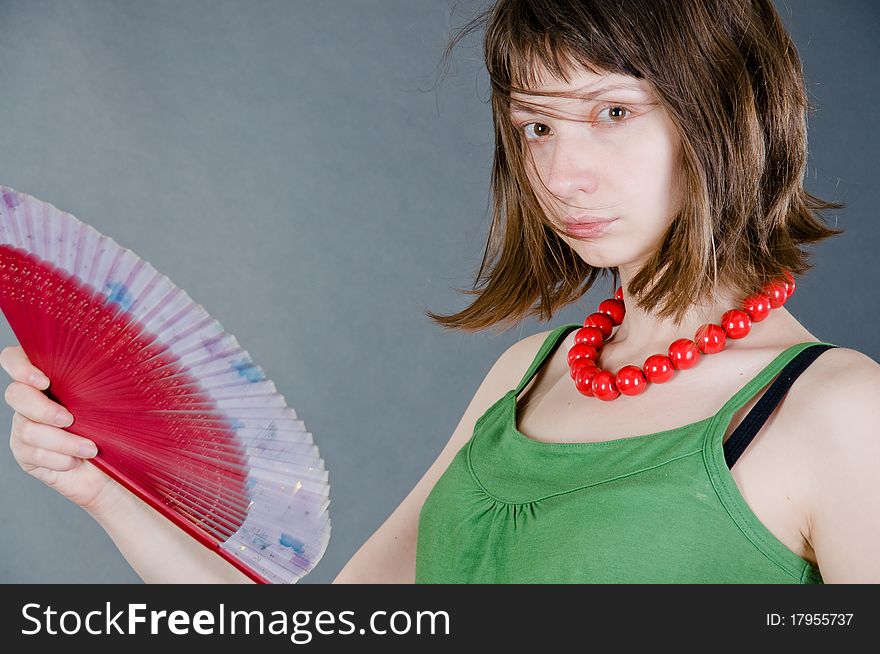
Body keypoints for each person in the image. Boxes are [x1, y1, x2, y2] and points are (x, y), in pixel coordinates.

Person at [3, 0, 879, 583]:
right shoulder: (524, 378)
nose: (562, 171)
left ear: (730, 111)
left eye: (613, 113)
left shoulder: (837, 412)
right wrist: (103, 491)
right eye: (535, 125)